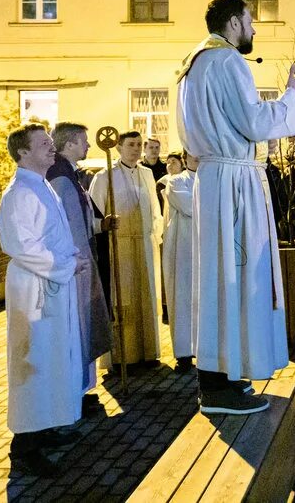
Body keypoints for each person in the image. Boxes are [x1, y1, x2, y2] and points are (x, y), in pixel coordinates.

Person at [177, 0, 295, 414]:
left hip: (217, 177)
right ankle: (216, 387)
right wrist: (290, 95)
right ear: (234, 22)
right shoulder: (227, 60)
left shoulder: (191, 63)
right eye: (250, 22)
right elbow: (253, 121)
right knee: (235, 276)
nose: (253, 30)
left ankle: (224, 373)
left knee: (221, 278)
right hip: (233, 182)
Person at [0, 124, 89, 476]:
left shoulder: (41, 186)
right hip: (35, 291)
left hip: (51, 285)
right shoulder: (21, 192)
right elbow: (22, 246)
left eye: (52, 143)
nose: (52, 148)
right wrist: (66, 264)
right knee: (33, 364)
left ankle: (45, 426)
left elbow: (53, 235)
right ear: (22, 153)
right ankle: (24, 448)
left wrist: (72, 257)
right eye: (44, 144)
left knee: (51, 360)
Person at [47, 122, 114, 417]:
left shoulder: (71, 176)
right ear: (71, 143)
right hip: (76, 266)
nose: (88, 146)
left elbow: (80, 220)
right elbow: (67, 228)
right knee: (77, 329)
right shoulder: (60, 178)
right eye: (84, 141)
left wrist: (101, 225)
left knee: (85, 327)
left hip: (83, 261)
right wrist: (77, 261)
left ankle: (83, 389)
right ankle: (75, 392)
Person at [89, 131, 163, 366]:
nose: (136, 148)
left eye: (139, 145)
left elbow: (155, 211)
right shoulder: (104, 177)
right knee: (123, 299)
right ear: (119, 147)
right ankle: (122, 357)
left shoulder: (147, 174)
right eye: (131, 144)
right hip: (118, 246)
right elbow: (93, 214)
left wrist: (156, 236)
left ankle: (147, 352)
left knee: (147, 296)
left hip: (144, 243)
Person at [163, 150, 199, 373]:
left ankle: (207, 352)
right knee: (183, 298)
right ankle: (184, 354)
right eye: (193, 156)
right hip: (183, 251)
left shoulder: (212, 179)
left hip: (206, 249)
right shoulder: (176, 181)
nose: (197, 159)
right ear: (185, 159)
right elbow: (189, 207)